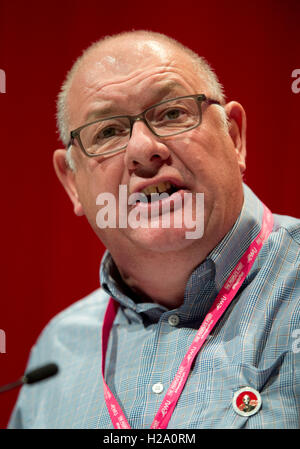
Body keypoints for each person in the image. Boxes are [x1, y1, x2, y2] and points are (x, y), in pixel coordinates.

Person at [8, 30, 300, 429]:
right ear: (73, 183)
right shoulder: (56, 354)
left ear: (234, 138)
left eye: (172, 113)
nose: (143, 150)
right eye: (108, 132)